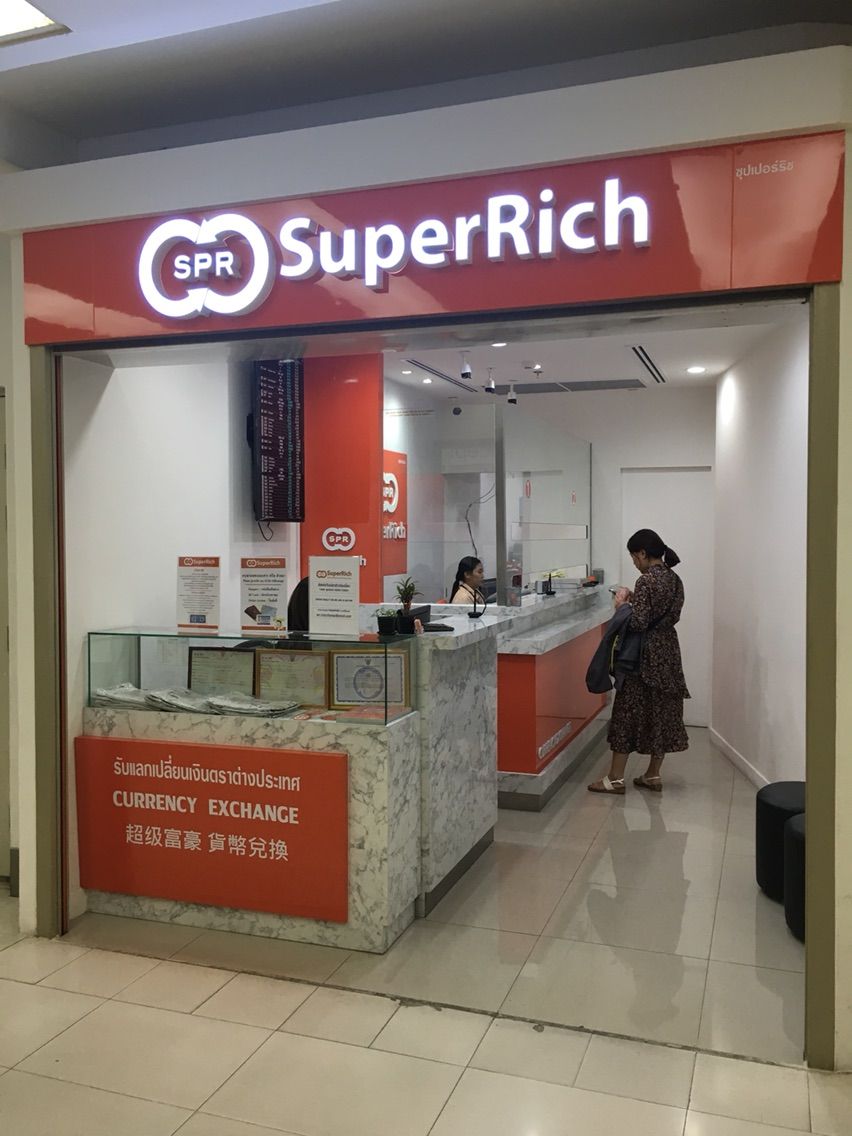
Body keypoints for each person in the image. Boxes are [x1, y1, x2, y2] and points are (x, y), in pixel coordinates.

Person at [588, 529, 689, 794]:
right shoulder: (674, 579)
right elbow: (667, 614)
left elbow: (638, 622)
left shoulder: (646, 581)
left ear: (643, 553)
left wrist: (621, 605)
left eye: (634, 557)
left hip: (643, 657)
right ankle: (653, 775)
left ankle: (615, 779)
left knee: (627, 711)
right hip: (668, 652)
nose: (634, 562)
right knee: (662, 711)